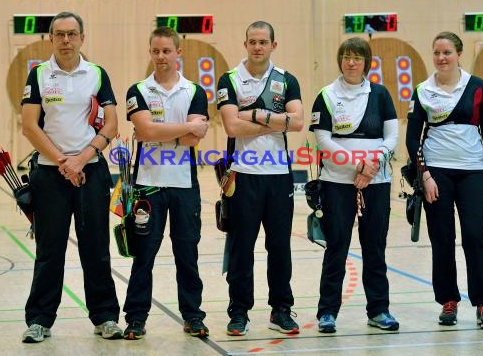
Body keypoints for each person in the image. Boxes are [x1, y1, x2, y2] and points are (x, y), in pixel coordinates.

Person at [20, 11, 122, 343]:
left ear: (82, 38)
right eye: (60, 34)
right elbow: (30, 125)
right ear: (51, 38)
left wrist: (80, 161)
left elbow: (111, 125)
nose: (66, 40)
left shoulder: (96, 74)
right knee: (49, 250)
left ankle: (105, 317)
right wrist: (64, 160)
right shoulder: (38, 75)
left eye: (72, 34)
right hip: (50, 176)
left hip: (90, 172)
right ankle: (39, 320)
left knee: (96, 247)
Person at [406, 31, 483, 329]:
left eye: (447, 52)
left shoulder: (477, 88)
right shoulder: (422, 90)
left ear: (459, 54)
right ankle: (449, 300)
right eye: (436, 52)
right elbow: (412, 140)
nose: (441, 57)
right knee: (442, 239)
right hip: (437, 174)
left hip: (472, 172)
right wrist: (426, 176)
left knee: (475, 236)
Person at [216, 21, 304, 336]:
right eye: (252, 41)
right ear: (245, 44)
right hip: (242, 175)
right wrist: (276, 120)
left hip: (279, 176)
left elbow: (297, 123)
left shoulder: (286, 80)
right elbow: (231, 128)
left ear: (273, 45)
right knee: (242, 247)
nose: (257, 47)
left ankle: (281, 309)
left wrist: (252, 114)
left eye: (263, 42)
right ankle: (238, 312)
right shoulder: (229, 80)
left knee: (279, 246)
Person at [122, 26, 210, 340]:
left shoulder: (195, 91)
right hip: (147, 183)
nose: (161, 57)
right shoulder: (138, 91)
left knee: (187, 253)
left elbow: (193, 139)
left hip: (184, 185)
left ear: (178, 53)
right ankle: (135, 318)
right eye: (156, 51)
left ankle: (193, 316)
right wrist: (184, 128)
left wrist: (162, 131)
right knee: (143, 255)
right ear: (150, 52)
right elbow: (145, 132)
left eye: (167, 51)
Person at [309, 37, 399, 333]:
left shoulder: (381, 94)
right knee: (337, 245)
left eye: (357, 58)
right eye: (346, 57)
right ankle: (327, 313)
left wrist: (371, 166)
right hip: (337, 181)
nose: (351, 62)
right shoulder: (326, 95)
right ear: (340, 60)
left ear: (366, 62)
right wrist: (356, 165)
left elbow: (391, 139)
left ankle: (379, 310)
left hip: (377, 180)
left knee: (375, 246)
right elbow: (322, 140)